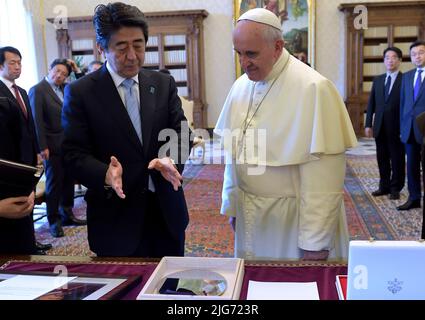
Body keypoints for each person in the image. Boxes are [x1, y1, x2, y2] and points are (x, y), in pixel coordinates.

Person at [214, 8, 357, 261]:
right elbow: (233, 157)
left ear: (278, 47)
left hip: (293, 222)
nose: (243, 63)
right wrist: (233, 205)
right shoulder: (240, 86)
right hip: (251, 217)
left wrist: (315, 242)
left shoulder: (314, 88)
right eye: (238, 53)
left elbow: (323, 180)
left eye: (251, 54)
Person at [61, 2, 191, 257]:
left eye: (139, 45)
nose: (132, 55)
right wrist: (104, 174)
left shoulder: (162, 83)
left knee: (169, 290)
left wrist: (170, 159)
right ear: (102, 47)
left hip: (166, 213)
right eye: (121, 47)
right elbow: (72, 154)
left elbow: (182, 134)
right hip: (115, 220)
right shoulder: (81, 92)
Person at [0, 46, 51, 254]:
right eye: (12, 62)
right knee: (13, 211)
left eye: (20, 62)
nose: (17, 66)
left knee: (26, 205)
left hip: (26, 163)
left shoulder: (21, 91)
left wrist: (37, 151)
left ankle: (29, 245)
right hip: (8, 166)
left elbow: (30, 127)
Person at [29, 58, 87, 238]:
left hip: (68, 144)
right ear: (50, 69)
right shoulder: (38, 90)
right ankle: (53, 220)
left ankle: (67, 214)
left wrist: (76, 70)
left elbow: (83, 90)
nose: (60, 76)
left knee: (68, 180)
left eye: (64, 74)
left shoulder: (65, 89)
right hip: (50, 147)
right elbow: (36, 121)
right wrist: (41, 146)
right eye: (57, 71)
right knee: (54, 184)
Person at [365, 47, 405, 201]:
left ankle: (396, 188)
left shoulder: (405, 79)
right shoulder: (378, 79)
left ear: (400, 60)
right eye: (387, 57)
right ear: (384, 61)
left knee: (397, 158)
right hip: (380, 126)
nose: (390, 60)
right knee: (382, 158)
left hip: (398, 127)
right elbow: (371, 104)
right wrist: (368, 124)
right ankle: (384, 186)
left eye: (394, 57)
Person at [398, 41, 425, 211]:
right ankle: (414, 198)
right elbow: (403, 104)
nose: (417, 56)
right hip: (409, 129)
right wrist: (402, 128)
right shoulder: (407, 76)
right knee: (412, 166)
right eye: (414, 54)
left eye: (421, 53)